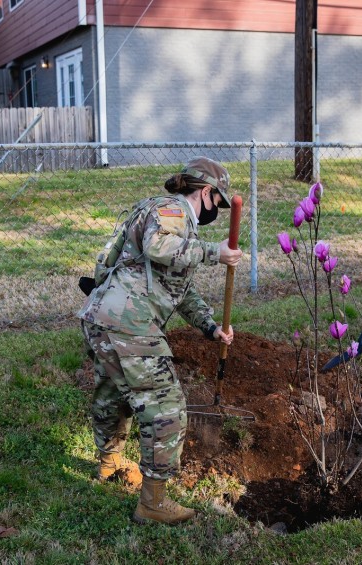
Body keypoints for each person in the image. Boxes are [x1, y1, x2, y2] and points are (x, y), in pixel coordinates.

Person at [77, 156, 243, 524]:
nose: (216, 208)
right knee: (166, 406)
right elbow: (157, 246)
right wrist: (215, 252)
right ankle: (153, 504)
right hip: (127, 322)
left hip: (102, 317)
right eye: (217, 201)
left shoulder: (158, 210)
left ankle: (108, 466)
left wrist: (209, 327)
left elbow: (179, 289)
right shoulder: (173, 210)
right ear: (204, 192)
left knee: (112, 394)